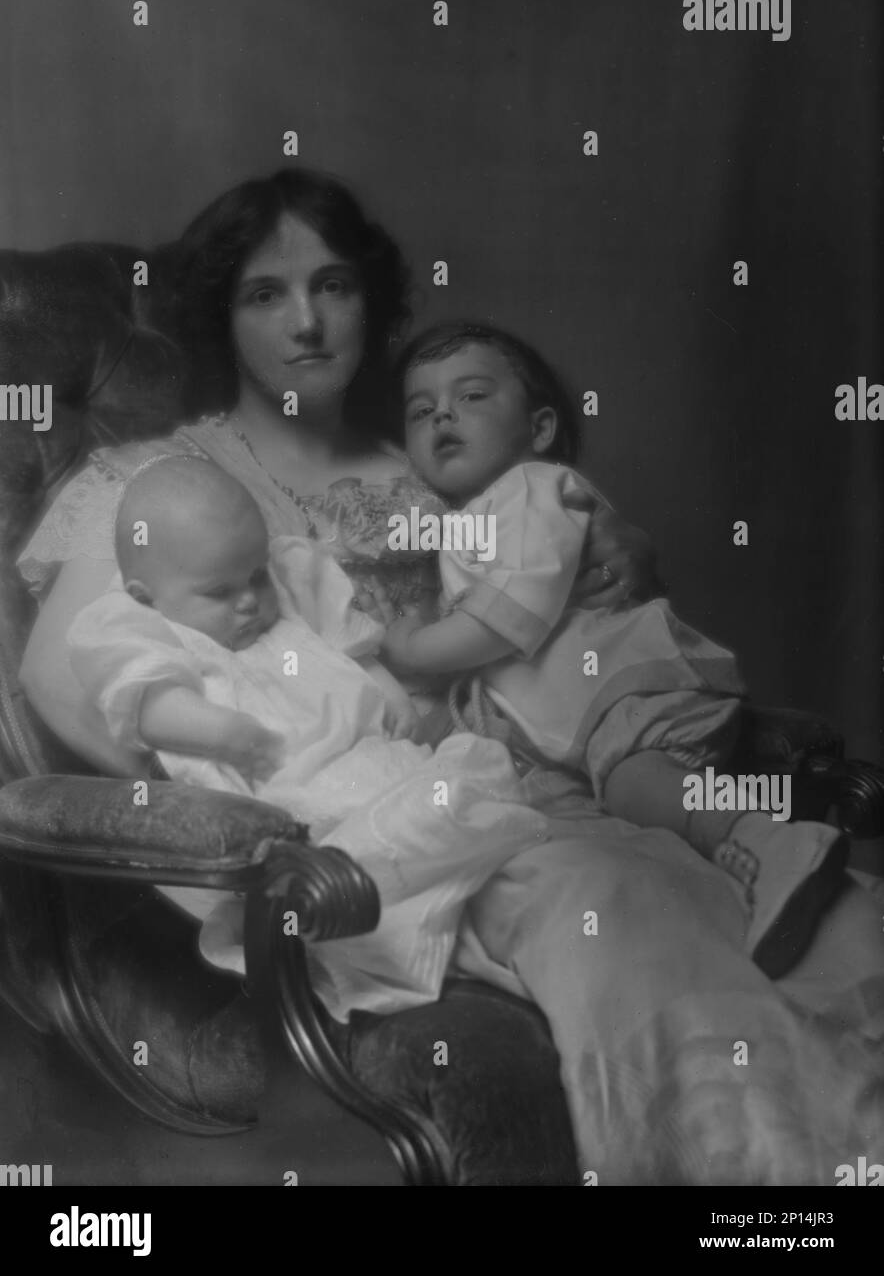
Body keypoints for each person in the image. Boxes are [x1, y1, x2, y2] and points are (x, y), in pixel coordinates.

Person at [17, 167, 884, 1184]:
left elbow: (555, 592)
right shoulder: (163, 481)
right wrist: (245, 768)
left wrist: (617, 549)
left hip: (526, 773)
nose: (305, 320)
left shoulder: (432, 460)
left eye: (333, 285)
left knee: (830, 922)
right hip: (358, 825)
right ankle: (749, 1181)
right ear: (223, 314)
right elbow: (66, 670)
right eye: (265, 293)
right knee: (614, 904)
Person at [381, 320, 848, 979]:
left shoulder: (535, 490)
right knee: (615, 833)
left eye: (473, 397)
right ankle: (741, 904)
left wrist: (414, 648)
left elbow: (506, 619)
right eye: (421, 411)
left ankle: (770, 842)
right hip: (590, 721)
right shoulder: (463, 526)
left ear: (540, 428)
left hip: (630, 690)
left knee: (640, 787)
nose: (443, 416)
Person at [65, 453, 547, 1019]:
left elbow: (351, 653)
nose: (249, 601)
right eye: (220, 592)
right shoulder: (153, 637)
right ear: (148, 597)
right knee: (374, 857)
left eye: (256, 576)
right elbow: (150, 710)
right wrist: (220, 732)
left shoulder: (290, 597)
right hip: (301, 809)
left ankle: (467, 891)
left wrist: (385, 691)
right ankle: (428, 916)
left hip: (382, 766)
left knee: (467, 775)